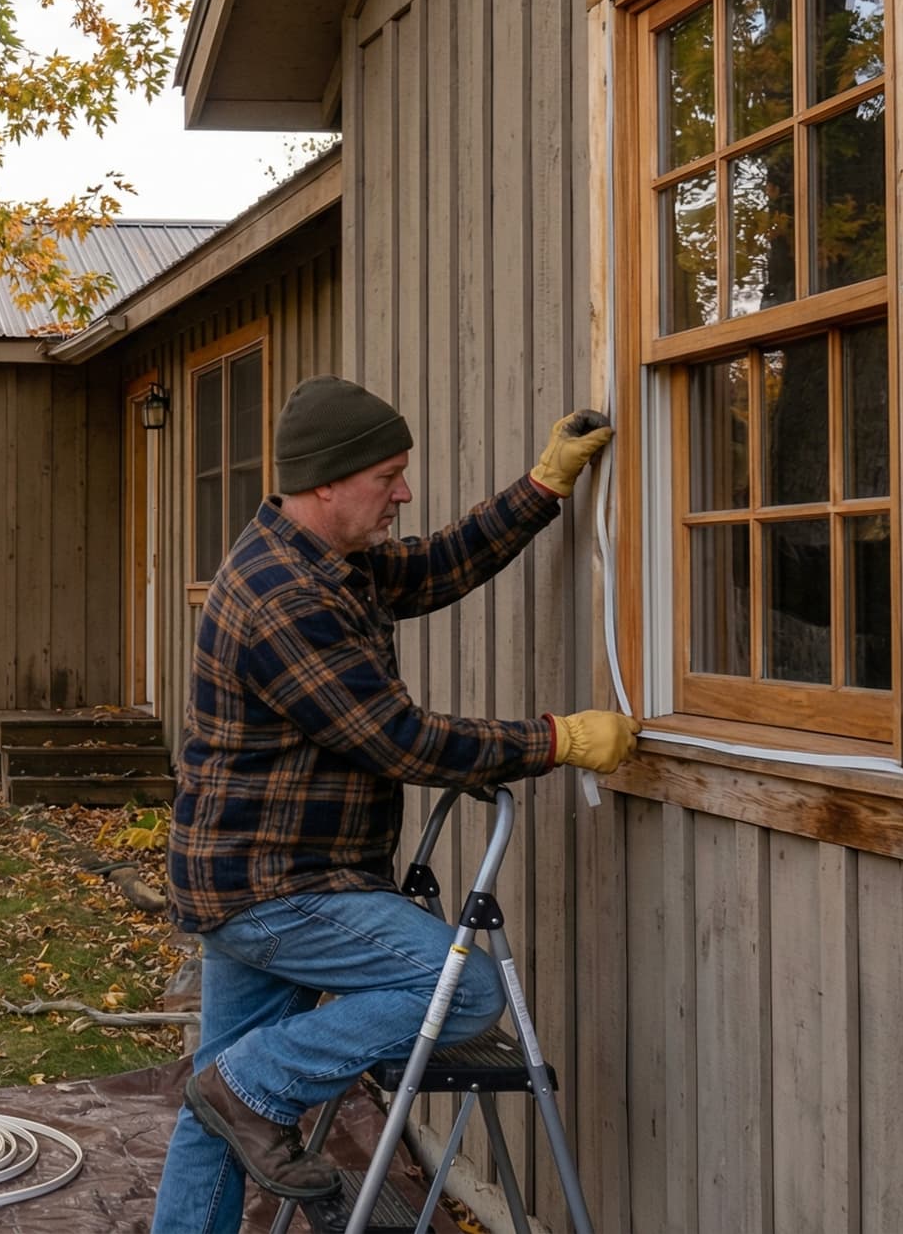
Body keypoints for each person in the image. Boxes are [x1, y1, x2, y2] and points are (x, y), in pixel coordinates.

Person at [148, 375, 641, 1232]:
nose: (404, 493)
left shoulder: (326, 559)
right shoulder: (285, 598)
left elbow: (436, 562)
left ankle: (237, 1089)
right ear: (327, 482)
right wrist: (555, 739)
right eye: (389, 476)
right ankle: (249, 1086)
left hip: (253, 876)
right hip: (277, 888)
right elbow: (397, 739)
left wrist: (542, 488)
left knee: (216, 1097)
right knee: (460, 988)